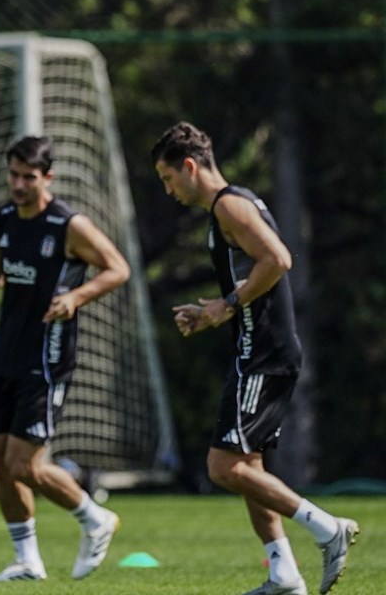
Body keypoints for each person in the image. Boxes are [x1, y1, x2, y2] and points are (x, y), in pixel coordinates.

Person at [151, 122, 358, 595]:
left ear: (189, 166)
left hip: (263, 355)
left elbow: (279, 259)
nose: (168, 191)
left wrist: (225, 306)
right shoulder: (229, 206)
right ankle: (283, 575)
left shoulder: (230, 205)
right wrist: (211, 314)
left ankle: (327, 528)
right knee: (250, 466)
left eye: (167, 179)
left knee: (224, 467)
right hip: (258, 350)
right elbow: (254, 278)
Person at [0, 135, 131, 582]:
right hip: (6, 351)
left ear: (48, 177)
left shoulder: (68, 224)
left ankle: (93, 518)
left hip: (46, 359)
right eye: (14, 175)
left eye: (29, 177)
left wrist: (77, 297)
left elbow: (117, 267)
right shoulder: (5, 218)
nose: (20, 185)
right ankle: (28, 560)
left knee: (23, 464)